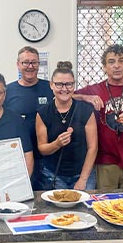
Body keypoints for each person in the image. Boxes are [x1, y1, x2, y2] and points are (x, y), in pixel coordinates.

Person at [75, 44, 123, 190]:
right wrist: (87, 97)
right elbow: (68, 95)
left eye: (121, 60)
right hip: (105, 162)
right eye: (111, 62)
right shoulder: (95, 89)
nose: (117, 66)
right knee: (105, 205)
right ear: (104, 66)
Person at [36, 61, 97, 190]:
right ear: (51, 85)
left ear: (74, 85)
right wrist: (57, 143)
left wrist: (83, 179)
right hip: (54, 175)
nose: (64, 89)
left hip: (83, 174)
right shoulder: (43, 113)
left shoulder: (86, 110)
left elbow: (93, 148)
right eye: (59, 84)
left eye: (69, 84)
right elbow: (42, 148)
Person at [4, 46, 53, 190]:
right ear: (18, 64)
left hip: (46, 159)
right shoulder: (8, 91)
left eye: (34, 63)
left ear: (39, 64)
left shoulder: (50, 87)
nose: (30, 66)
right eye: (26, 63)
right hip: (18, 158)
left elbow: (70, 96)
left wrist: (89, 97)